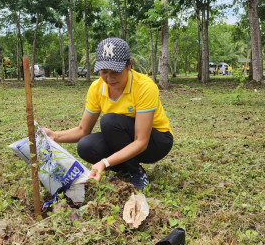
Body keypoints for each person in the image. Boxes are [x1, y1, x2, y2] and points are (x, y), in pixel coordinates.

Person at [44, 37, 173, 190]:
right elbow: (82, 130)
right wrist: (54, 136)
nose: (109, 78)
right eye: (104, 72)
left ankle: (136, 172)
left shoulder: (144, 87)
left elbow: (141, 141)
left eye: (115, 72)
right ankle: (125, 170)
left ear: (129, 65)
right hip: (124, 137)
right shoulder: (96, 87)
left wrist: (104, 163)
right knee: (86, 146)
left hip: (156, 142)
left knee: (109, 122)